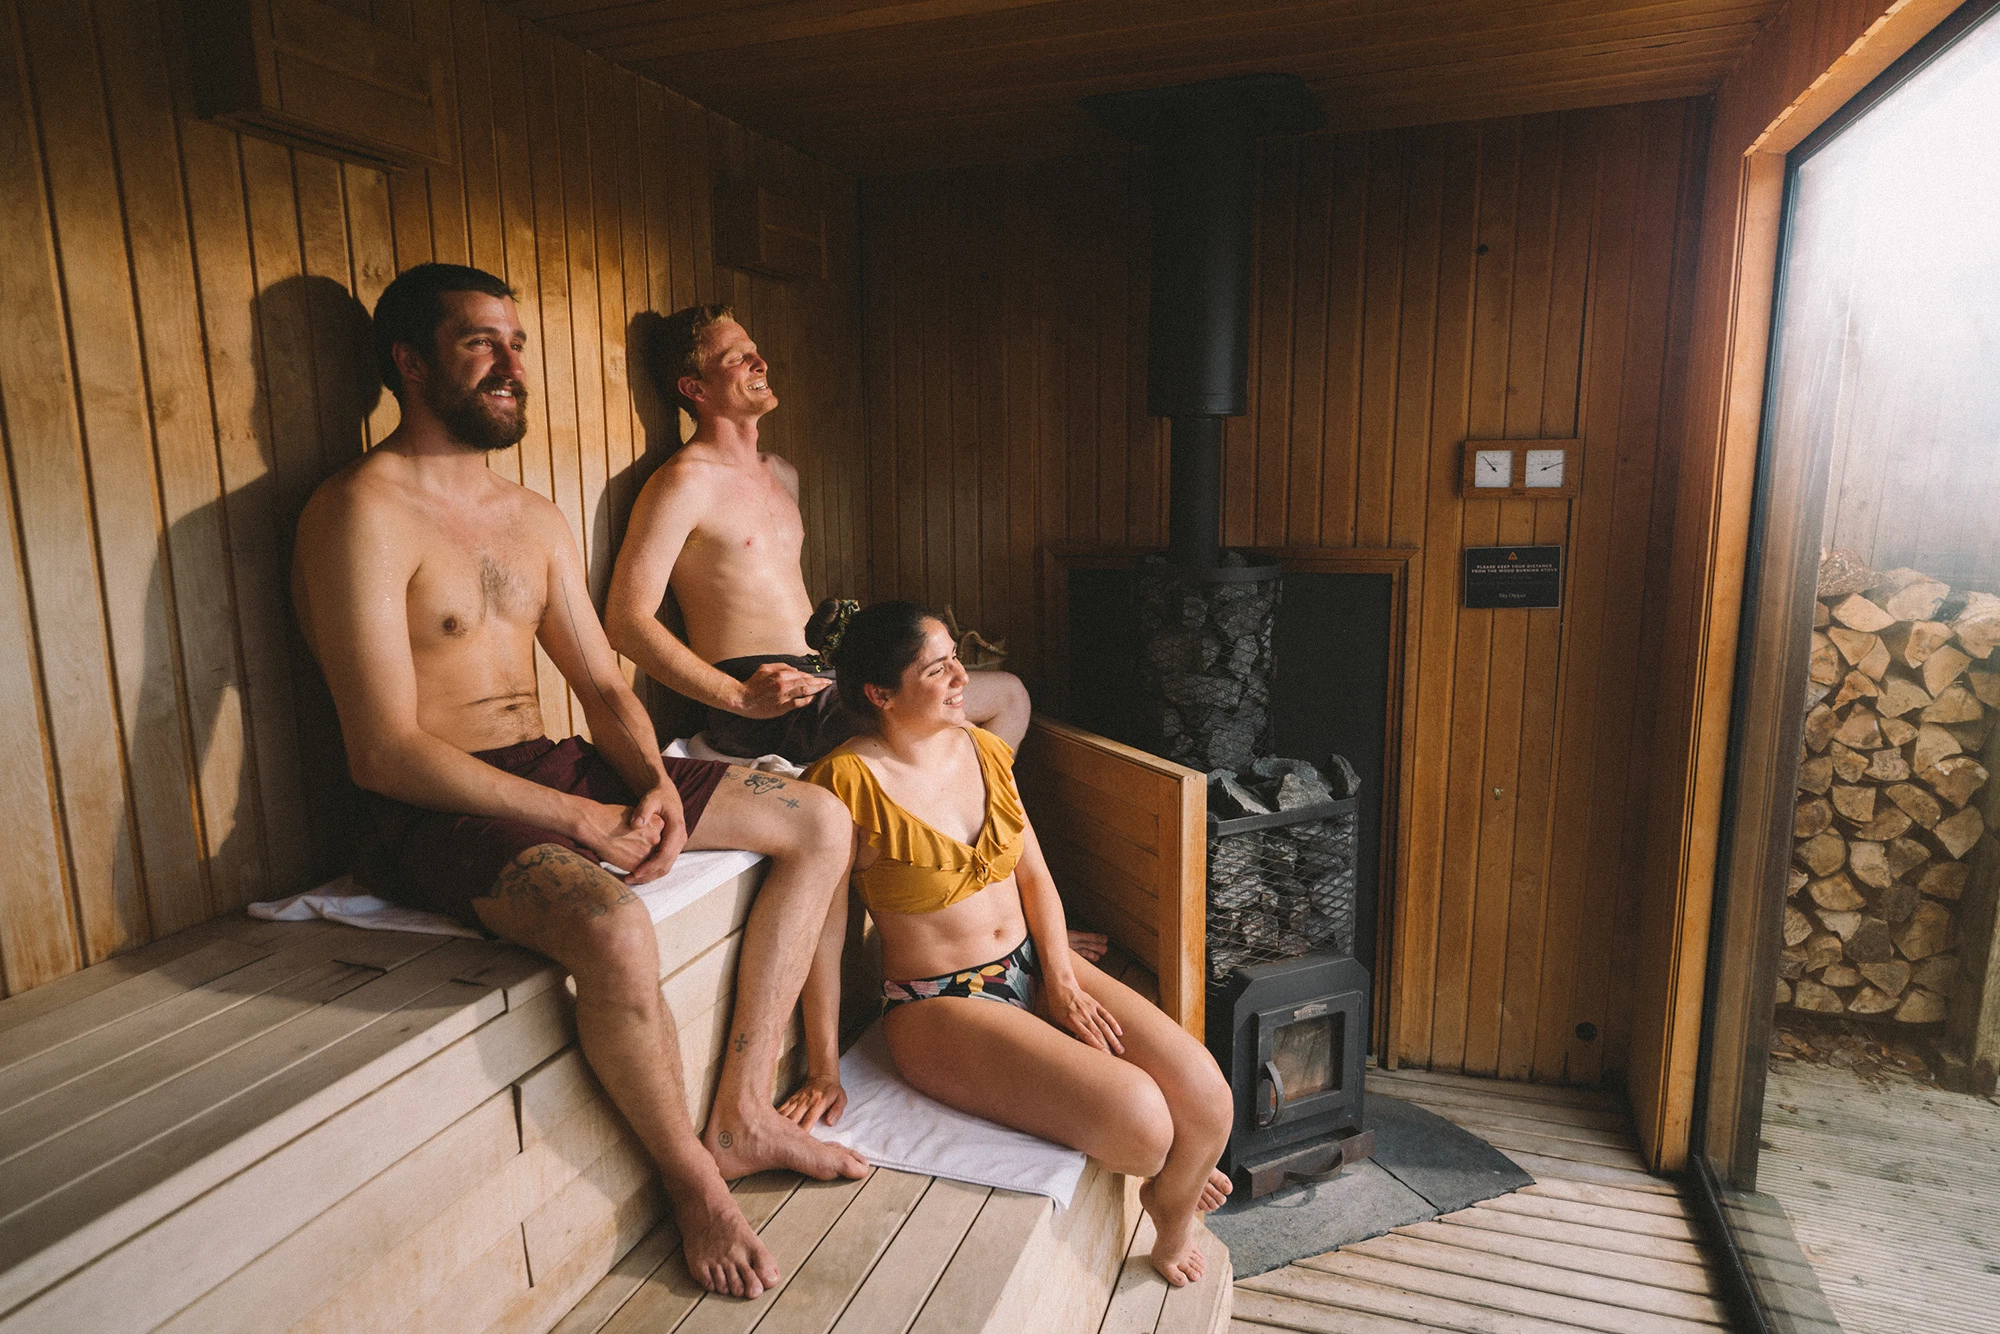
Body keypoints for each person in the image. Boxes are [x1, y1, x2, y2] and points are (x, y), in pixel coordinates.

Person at [291, 263, 864, 1301]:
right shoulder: (356, 513)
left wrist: (649, 779)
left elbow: (602, 680)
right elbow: (379, 747)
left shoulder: (531, 515)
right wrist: (580, 818)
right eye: (479, 344)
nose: (512, 366)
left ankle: (742, 1105)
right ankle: (694, 1178)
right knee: (609, 924)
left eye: (515, 343)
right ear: (408, 364)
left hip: (560, 761)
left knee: (821, 819)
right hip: (435, 798)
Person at [778, 602, 1237, 1286]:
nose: (963, 675)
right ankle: (1169, 1172)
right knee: (1146, 1124)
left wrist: (1062, 976)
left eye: (957, 658)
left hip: (1029, 966)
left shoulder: (984, 749)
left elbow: (1034, 875)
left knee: (1208, 1100)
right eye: (939, 668)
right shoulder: (843, 785)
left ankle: (1169, 1203)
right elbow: (822, 935)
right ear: (881, 693)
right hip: (937, 1005)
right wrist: (823, 1067)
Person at [604, 304, 1031, 764]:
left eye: (755, 352)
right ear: (694, 388)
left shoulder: (781, 474)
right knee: (993, 703)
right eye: (735, 358)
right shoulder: (683, 482)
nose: (759, 363)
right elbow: (626, 621)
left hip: (822, 673)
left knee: (1005, 695)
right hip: (761, 699)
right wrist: (740, 697)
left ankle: (957, 817)